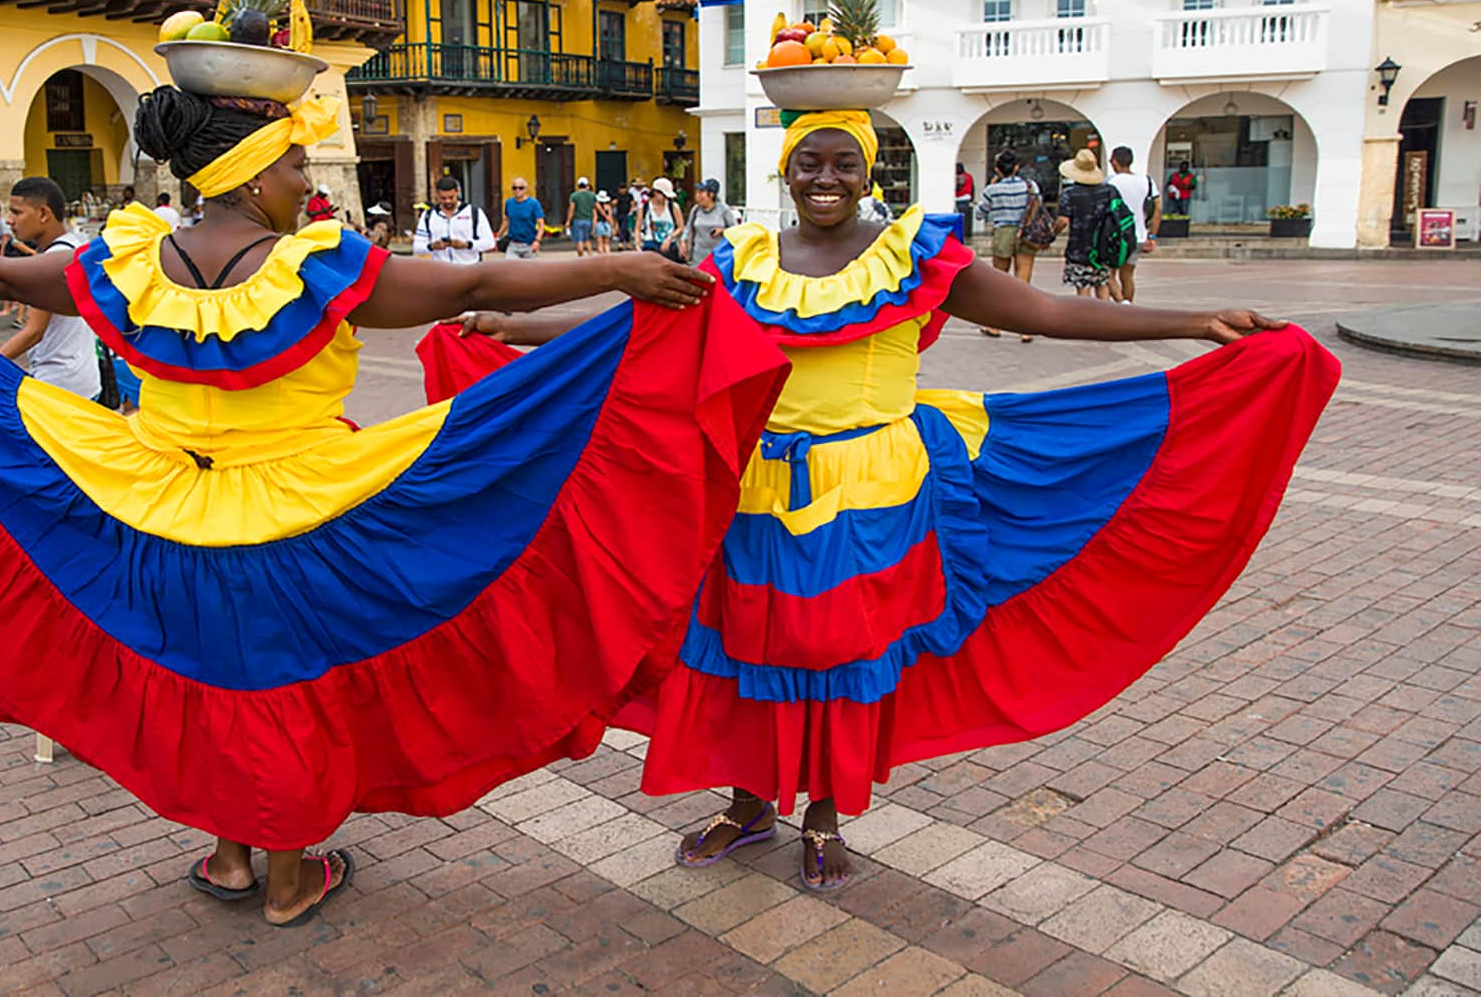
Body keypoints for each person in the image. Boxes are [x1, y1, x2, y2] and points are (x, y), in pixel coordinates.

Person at [0, 77, 788, 928]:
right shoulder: (317, 269)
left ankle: (227, 854)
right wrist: (615, 269)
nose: (308, 182)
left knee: (209, 671)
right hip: (303, 522)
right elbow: (473, 282)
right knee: (280, 684)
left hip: (149, 512)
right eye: (298, 165)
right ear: (254, 173)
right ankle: (293, 870)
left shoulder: (126, 262)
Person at [428, 105, 1338, 890]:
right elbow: (634, 327)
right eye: (808, 162)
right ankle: (750, 804)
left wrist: (1191, 321)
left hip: (876, 485)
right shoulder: (742, 256)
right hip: (755, 488)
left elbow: (1044, 313)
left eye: (844, 162)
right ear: (784, 172)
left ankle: (823, 812)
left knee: (840, 650)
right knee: (748, 644)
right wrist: (513, 327)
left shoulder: (912, 251)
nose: (826, 177)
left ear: (870, 172)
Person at [0, 177, 101, 402]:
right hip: (82, 377)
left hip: (59, 384)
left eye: (16, 212)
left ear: (43, 214)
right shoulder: (74, 247)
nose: (9, 220)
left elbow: (34, 330)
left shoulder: (50, 263)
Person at [975, 150, 1042, 340]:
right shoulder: (1030, 186)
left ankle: (995, 326)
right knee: (1023, 283)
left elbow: (980, 213)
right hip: (1027, 232)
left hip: (1003, 231)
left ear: (997, 170)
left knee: (1000, 282)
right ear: (1016, 168)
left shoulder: (992, 190)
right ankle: (1024, 329)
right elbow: (1038, 206)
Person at [1056, 149, 1116, 300]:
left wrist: (1053, 233)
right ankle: (1105, 318)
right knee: (1102, 284)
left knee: (1083, 287)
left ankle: (1086, 320)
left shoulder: (1070, 193)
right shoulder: (1108, 191)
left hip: (1079, 248)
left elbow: (1063, 220)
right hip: (1103, 247)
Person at [1108, 146, 1157, 303]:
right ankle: (1129, 306)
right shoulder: (1147, 181)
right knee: (1127, 274)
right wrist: (1152, 235)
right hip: (1139, 235)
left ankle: (1122, 303)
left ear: (1114, 162)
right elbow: (1158, 209)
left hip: (1116, 235)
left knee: (1108, 274)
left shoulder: (1111, 182)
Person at [412, 174, 495, 264]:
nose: (447, 201)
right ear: (437, 194)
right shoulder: (428, 215)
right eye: (443, 198)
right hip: (441, 269)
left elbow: (490, 243)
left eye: (451, 197)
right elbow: (417, 247)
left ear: (458, 192)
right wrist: (432, 246)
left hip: (469, 268)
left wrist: (466, 245)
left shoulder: (474, 212)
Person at [680, 179, 738, 268]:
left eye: (701, 192)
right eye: (697, 192)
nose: (697, 196)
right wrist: (683, 241)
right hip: (698, 256)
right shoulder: (696, 210)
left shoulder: (723, 210)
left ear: (711, 195)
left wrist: (722, 231)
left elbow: (736, 230)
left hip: (719, 257)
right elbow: (688, 228)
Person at [638, 178, 684, 256]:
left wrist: (670, 238)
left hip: (669, 245)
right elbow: (637, 228)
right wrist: (638, 244)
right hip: (650, 244)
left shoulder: (673, 207)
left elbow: (681, 227)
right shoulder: (644, 207)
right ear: (655, 193)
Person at [503, 177, 543, 259]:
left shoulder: (533, 203)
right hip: (513, 243)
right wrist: (498, 237)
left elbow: (541, 224)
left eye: (520, 188)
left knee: (530, 270)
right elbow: (506, 221)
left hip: (529, 244)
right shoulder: (509, 203)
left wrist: (537, 241)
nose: (517, 190)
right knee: (511, 268)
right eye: (514, 188)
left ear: (525, 189)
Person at [568, 177, 596, 257]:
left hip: (577, 220)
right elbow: (597, 207)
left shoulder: (574, 196)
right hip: (588, 220)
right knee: (587, 239)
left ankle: (581, 257)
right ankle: (591, 257)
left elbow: (572, 209)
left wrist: (568, 221)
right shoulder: (592, 195)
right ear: (587, 185)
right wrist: (605, 216)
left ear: (578, 185)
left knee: (579, 240)